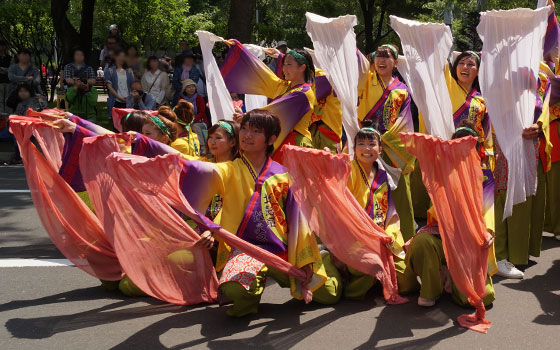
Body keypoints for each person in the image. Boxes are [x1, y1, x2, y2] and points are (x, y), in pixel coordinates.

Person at [193, 109, 341, 317]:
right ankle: (250, 296)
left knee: (329, 294)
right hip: (246, 250)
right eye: (244, 129)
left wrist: (305, 258)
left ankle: (323, 258)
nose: (247, 135)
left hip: (282, 252)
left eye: (255, 131)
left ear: (271, 139)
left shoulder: (282, 175)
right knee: (234, 290)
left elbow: (298, 221)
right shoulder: (228, 169)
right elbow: (193, 171)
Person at [493, 3, 557, 279]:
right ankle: (500, 254)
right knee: (506, 194)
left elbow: (544, 105)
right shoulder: (500, 66)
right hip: (506, 139)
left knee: (528, 195)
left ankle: (521, 252)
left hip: (533, 140)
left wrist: (539, 125)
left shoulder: (542, 71)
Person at [405, 120, 496, 307]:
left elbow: (488, 210)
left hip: (470, 239)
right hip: (443, 234)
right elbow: (436, 211)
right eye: (457, 145)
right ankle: (432, 288)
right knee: (421, 243)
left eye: (467, 145)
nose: (462, 151)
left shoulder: (485, 176)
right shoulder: (441, 174)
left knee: (482, 297)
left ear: (475, 148)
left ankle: (450, 277)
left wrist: (487, 231)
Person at [343, 121, 419, 300]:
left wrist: (390, 234)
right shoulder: (350, 170)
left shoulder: (383, 175)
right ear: (354, 148)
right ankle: (351, 285)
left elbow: (391, 213)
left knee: (409, 283)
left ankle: (378, 278)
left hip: (383, 237)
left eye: (372, 144)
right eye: (361, 144)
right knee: (372, 266)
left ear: (380, 149)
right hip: (358, 238)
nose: (366, 148)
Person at [222, 40, 317, 164]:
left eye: (289, 65)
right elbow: (263, 75)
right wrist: (238, 51)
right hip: (282, 142)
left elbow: (276, 111)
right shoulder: (284, 86)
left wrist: (248, 116)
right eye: (284, 65)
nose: (284, 69)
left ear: (302, 67)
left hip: (295, 143)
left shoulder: (303, 93)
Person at [357, 44, 415, 242]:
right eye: (378, 56)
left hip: (391, 148)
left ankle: (408, 241)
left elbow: (405, 122)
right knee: (367, 191)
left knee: (401, 196)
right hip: (364, 144)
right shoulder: (366, 80)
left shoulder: (402, 90)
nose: (381, 60)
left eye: (386, 57)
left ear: (396, 63)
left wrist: (386, 141)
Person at [179, 79, 208, 154]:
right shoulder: (181, 99)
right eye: (189, 87)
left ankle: (202, 146)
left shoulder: (199, 98)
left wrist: (192, 121)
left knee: (195, 127)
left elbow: (202, 112)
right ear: (184, 89)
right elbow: (181, 112)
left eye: (193, 87)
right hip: (186, 120)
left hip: (200, 121)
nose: (191, 88)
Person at [104, 48, 135, 117]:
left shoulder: (129, 70)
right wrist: (119, 97)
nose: (121, 58)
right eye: (119, 56)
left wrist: (131, 97)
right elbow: (109, 86)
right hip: (115, 100)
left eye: (123, 56)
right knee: (116, 124)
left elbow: (133, 85)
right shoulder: (109, 70)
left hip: (128, 100)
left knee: (127, 123)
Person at [0, 40, 12, 113]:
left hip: (7, 81)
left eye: (3, 46)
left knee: (7, 100)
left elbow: (11, 69)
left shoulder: (9, 58)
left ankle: (8, 116)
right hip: (0, 82)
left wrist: (2, 69)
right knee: (0, 100)